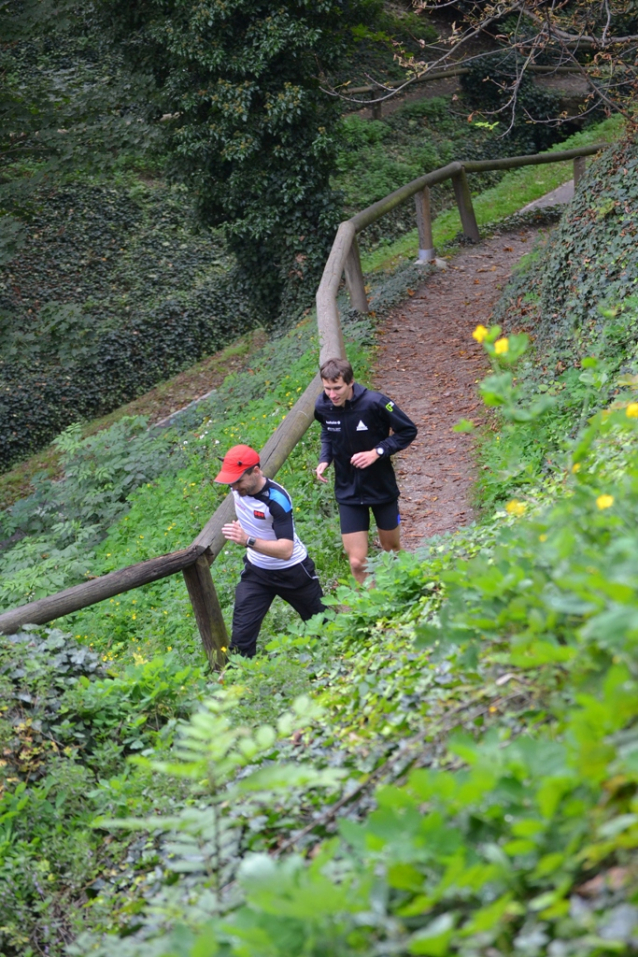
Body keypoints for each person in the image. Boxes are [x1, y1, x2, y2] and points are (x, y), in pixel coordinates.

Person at [215, 444, 326, 657]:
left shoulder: (277, 501)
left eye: (238, 481)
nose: (234, 488)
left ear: (256, 471)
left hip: (293, 571)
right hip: (257, 572)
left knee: (322, 625)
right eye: (231, 482)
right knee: (241, 640)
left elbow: (286, 550)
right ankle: (241, 683)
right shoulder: (238, 489)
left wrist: (247, 540)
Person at [314, 357, 418, 584]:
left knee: (391, 550)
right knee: (357, 561)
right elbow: (327, 433)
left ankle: (401, 593)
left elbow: (408, 430)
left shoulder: (376, 402)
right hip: (348, 491)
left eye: (337, 388)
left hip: (381, 487)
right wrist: (325, 458)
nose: (332, 395)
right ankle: (375, 606)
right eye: (327, 388)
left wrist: (378, 451)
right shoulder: (322, 406)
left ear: (350, 382)